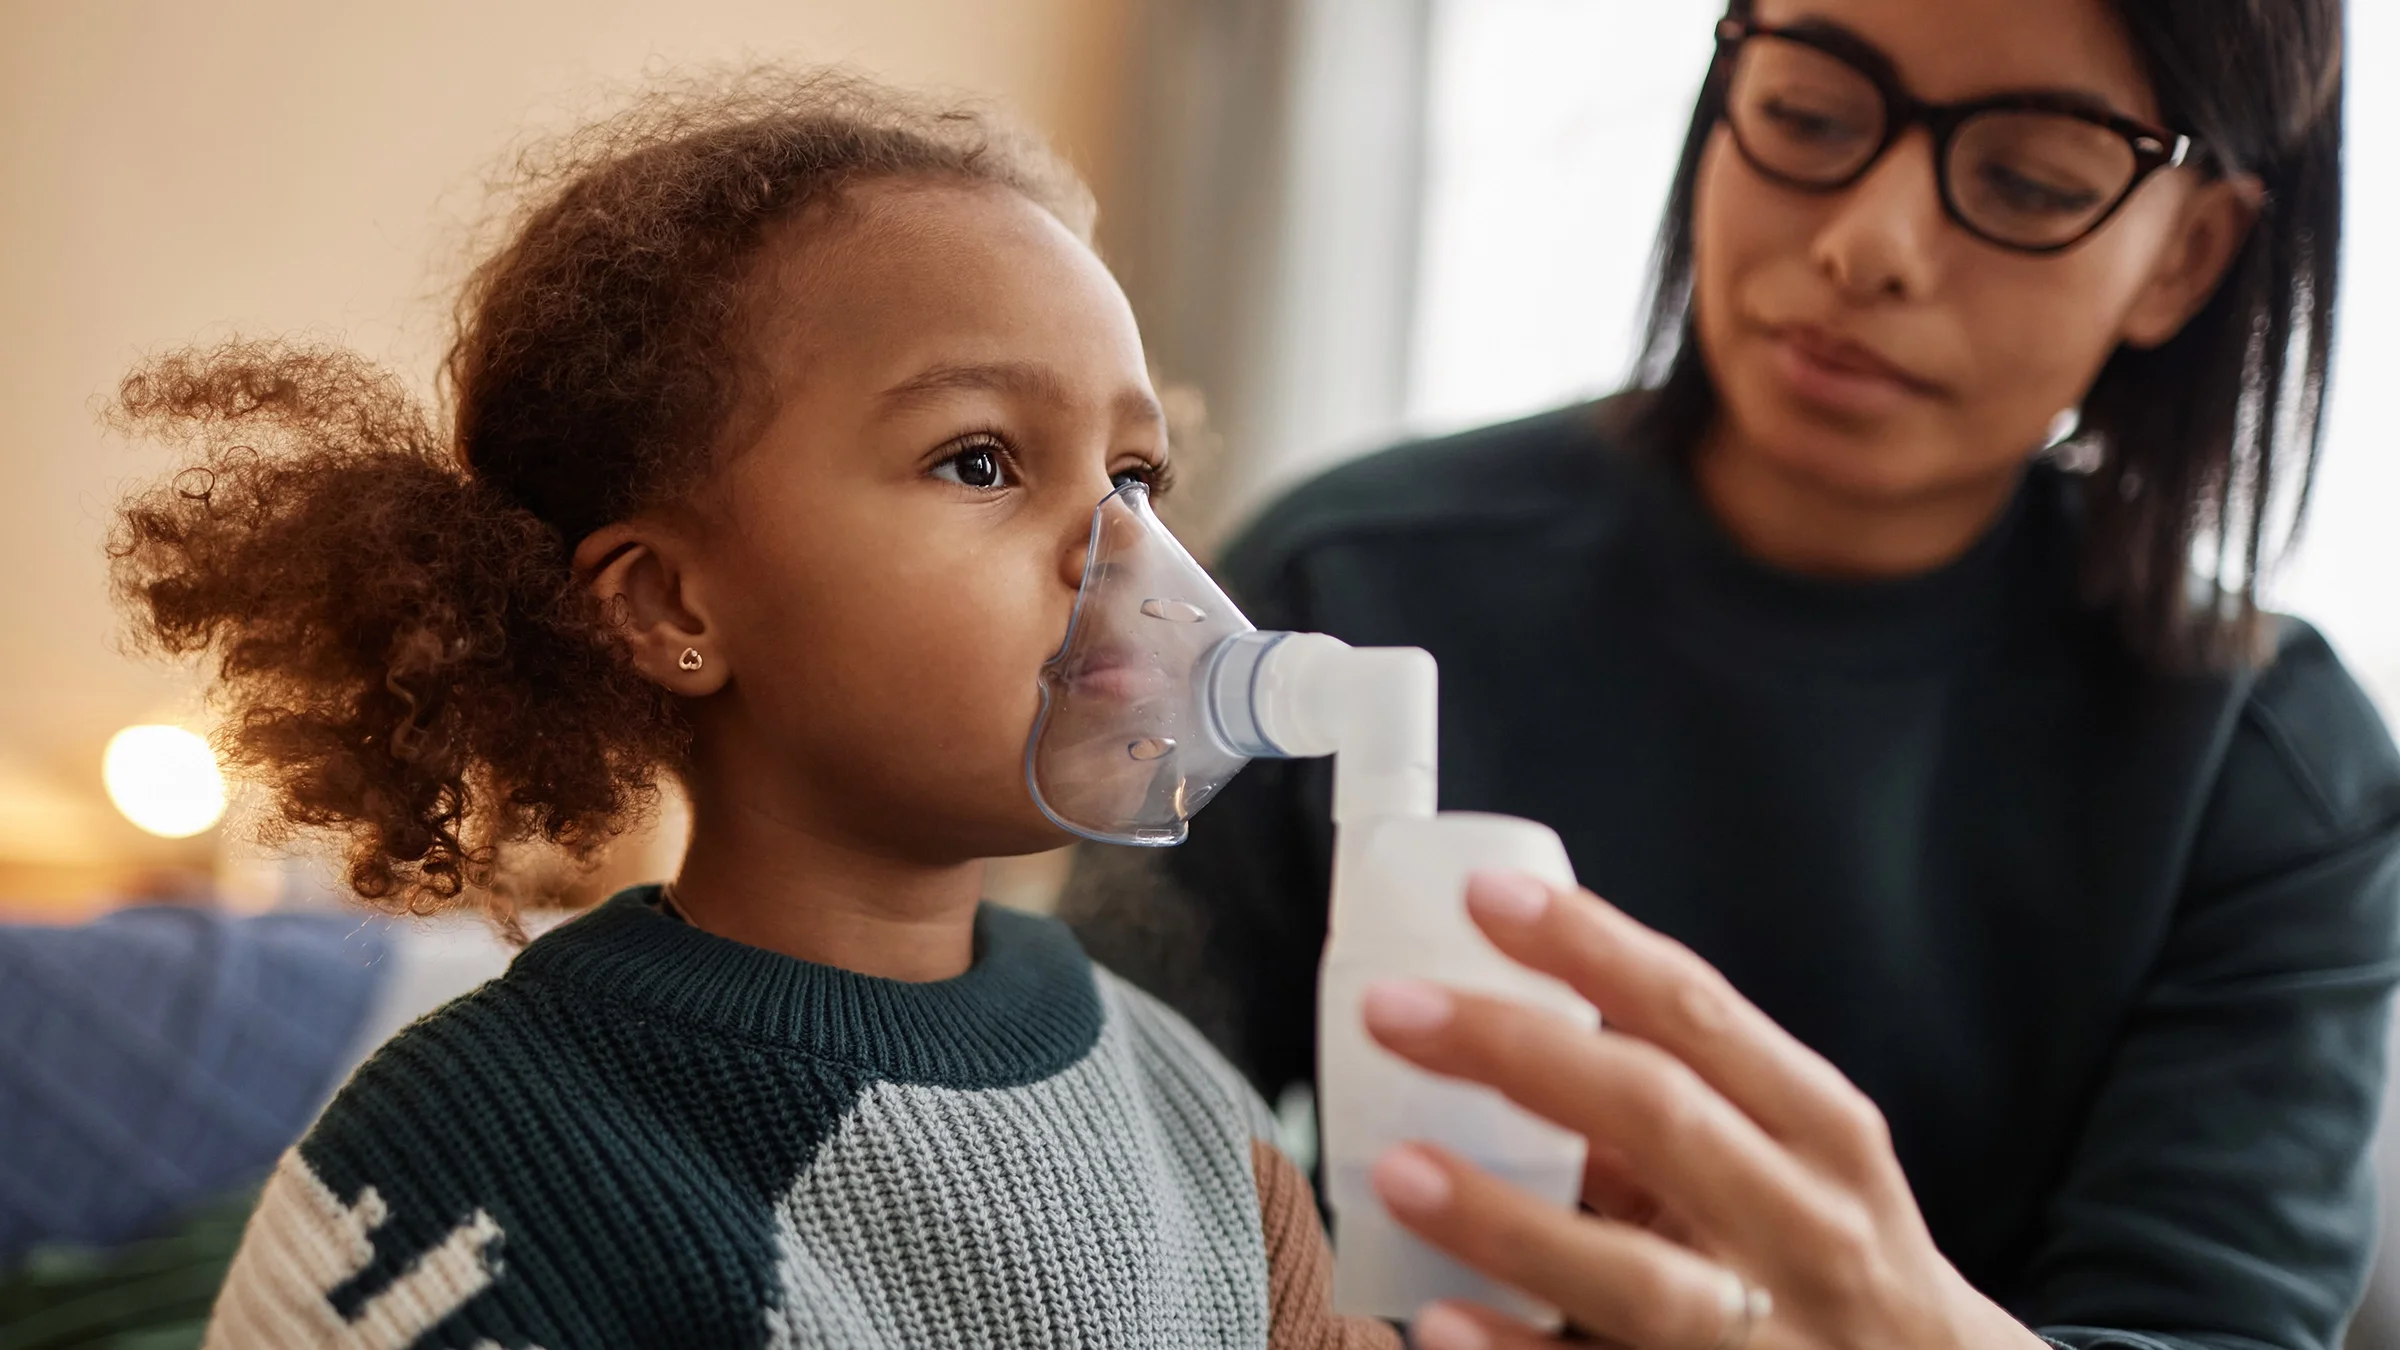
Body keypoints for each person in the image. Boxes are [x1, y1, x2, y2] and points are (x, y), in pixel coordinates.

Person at [1063, 1, 2400, 1347]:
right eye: (1811, 113)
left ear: (2188, 253)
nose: (1866, 242)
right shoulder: (1343, 590)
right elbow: (1104, 1183)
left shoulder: (2272, 771)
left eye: (2025, 180)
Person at [107, 72, 1394, 1350]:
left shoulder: (1186, 1105)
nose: (1117, 548)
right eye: (981, 460)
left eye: (1134, 474)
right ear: (670, 608)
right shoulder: (466, 1167)